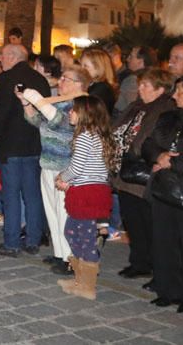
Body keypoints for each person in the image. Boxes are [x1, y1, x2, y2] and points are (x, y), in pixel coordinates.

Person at [142, 72, 183, 315]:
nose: (175, 96)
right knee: (164, 241)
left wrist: (174, 163)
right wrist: (158, 156)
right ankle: (166, 290)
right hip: (163, 188)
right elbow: (149, 143)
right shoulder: (168, 117)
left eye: (180, 92)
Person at [20, 65, 88, 276]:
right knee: (52, 212)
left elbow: (60, 123)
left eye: (66, 79)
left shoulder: (80, 104)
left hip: (65, 166)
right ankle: (60, 253)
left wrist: (38, 99)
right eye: (62, 79)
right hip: (48, 162)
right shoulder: (58, 102)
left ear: (79, 84)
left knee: (65, 213)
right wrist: (26, 103)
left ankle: (71, 258)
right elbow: (37, 121)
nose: (61, 82)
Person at [111, 68, 175, 280]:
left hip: (143, 172)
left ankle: (153, 265)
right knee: (132, 220)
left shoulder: (165, 108)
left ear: (160, 89)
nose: (140, 88)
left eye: (146, 85)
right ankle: (139, 262)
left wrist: (132, 151)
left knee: (147, 222)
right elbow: (119, 128)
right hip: (125, 171)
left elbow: (149, 138)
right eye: (140, 84)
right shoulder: (137, 105)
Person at [0, 44, 50, 257]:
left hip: (11, 145)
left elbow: (1, 112)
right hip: (33, 144)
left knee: (11, 193)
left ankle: (11, 241)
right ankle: (33, 240)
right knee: (32, 193)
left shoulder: (6, 79)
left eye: (2, 56)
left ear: (13, 56)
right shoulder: (40, 79)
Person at [52, 96, 115, 300]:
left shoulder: (85, 137)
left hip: (87, 194)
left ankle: (87, 286)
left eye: (73, 110)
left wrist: (63, 178)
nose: (70, 113)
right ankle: (80, 278)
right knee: (72, 232)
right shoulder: (94, 135)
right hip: (89, 190)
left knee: (84, 238)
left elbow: (77, 168)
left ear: (85, 115)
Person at [115, 46, 156, 116]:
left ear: (140, 61)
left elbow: (130, 107)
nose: (127, 59)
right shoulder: (153, 78)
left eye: (131, 57)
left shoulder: (133, 80)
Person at [81, 46, 117, 116]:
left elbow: (85, 110)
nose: (81, 69)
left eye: (86, 66)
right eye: (81, 65)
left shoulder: (102, 88)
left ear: (98, 67)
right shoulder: (93, 85)